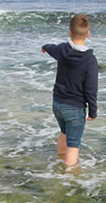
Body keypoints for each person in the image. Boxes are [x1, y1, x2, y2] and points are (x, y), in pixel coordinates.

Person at [41, 14, 99, 166]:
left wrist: (45, 47)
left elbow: (51, 48)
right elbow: (91, 89)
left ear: (69, 32)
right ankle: (69, 177)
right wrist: (93, 111)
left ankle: (60, 160)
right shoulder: (90, 60)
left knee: (64, 133)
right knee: (73, 145)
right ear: (88, 33)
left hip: (58, 104)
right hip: (75, 108)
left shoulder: (62, 49)